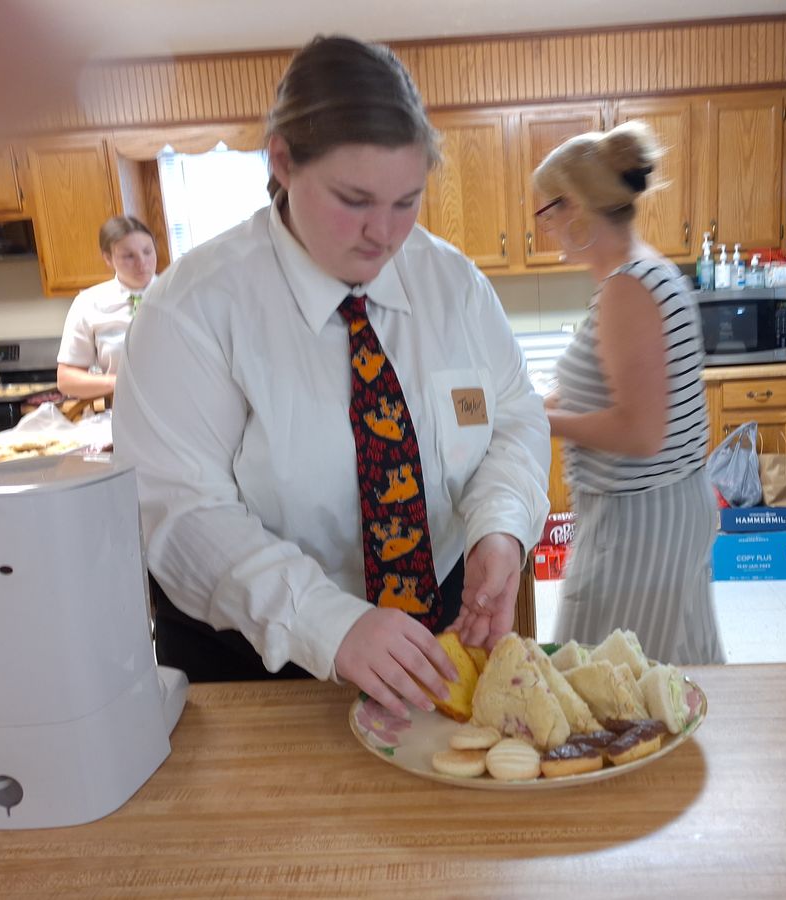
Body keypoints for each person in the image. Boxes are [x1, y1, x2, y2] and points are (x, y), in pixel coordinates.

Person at [112, 36, 550, 716]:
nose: (385, 233)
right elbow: (181, 512)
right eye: (355, 199)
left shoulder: (453, 286)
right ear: (283, 162)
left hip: (432, 640)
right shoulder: (191, 310)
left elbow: (511, 421)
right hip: (253, 670)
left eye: (406, 201)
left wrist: (500, 523)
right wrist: (329, 623)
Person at [534, 120, 724, 665]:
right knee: (672, 670)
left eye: (547, 213)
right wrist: (537, 407)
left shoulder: (628, 287)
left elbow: (640, 432)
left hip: (639, 525)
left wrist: (541, 421)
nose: (546, 229)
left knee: (602, 679)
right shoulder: (643, 273)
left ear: (574, 207)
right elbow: (613, 397)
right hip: (660, 510)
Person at [56, 215, 158, 400]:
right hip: (122, 408)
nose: (142, 262)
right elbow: (66, 380)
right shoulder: (88, 303)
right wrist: (121, 383)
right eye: (128, 256)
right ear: (108, 259)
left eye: (147, 251)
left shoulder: (181, 295)